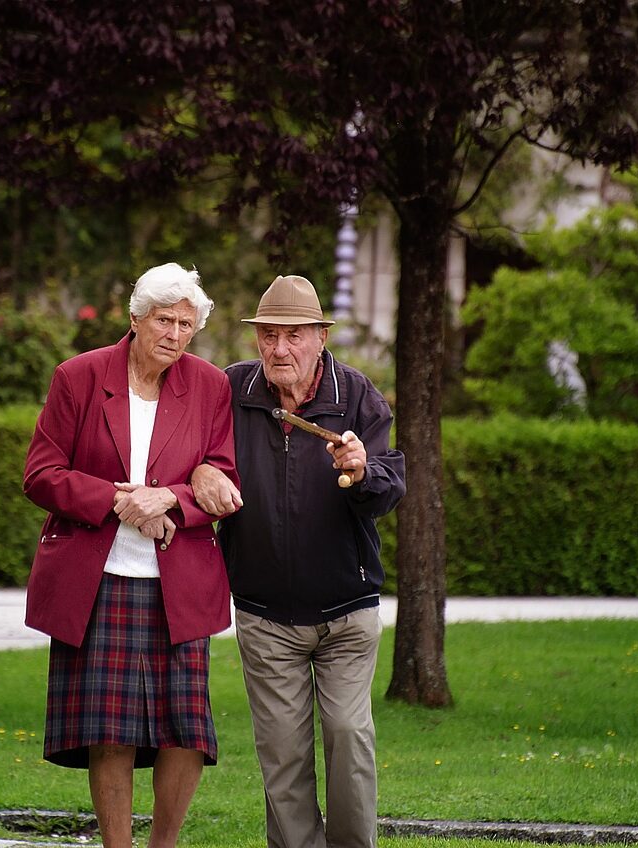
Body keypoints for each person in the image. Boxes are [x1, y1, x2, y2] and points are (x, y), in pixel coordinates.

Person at [22, 262, 240, 848]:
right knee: (110, 731)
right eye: (164, 320)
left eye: (187, 324)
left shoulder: (211, 385)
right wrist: (118, 499)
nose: (174, 334)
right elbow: (41, 475)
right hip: (99, 578)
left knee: (185, 731)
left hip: (179, 578)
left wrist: (172, 497)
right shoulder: (79, 377)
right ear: (137, 318)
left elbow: (222, 477)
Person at [192, 274, 406, 848]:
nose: (279, 349)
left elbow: (389, 488)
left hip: (346, 610)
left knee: (347, 735)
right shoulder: (231, 391)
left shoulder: (357, 396)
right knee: (282, 757)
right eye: (268, 335)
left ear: (320, 336)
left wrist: (363, 471)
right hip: (265, 614)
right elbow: (187, 447)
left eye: (293, 336)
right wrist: (201, 471)